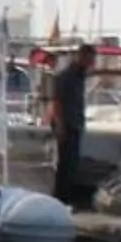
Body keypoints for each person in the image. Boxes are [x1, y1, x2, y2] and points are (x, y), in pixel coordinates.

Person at [46, 42, 94, 201]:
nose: (92, 63)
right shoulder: (67, 76)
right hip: (66, 124)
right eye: (90, 59)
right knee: (66, 165)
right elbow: (57, 101)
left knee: (71, 164)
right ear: (82, 57)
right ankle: (60, 197)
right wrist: (60, 125)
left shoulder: (80, 76)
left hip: (74, 123)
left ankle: (66, 197)